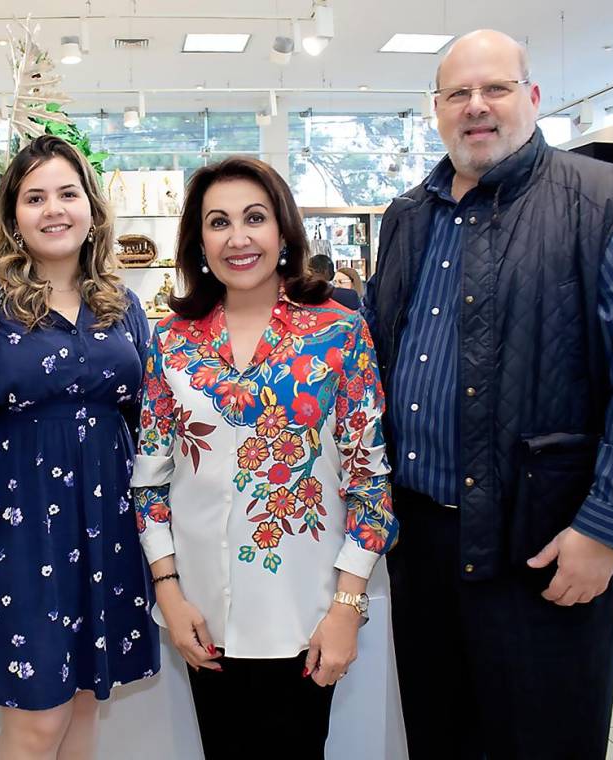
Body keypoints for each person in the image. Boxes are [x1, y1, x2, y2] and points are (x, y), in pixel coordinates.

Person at [364, 30, 613, 759]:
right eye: (458, 94)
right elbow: (378, 352)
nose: (476, 107)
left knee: (544, 741)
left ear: (533, 98)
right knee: (438, 736)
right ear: (436, 111)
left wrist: (606, 527)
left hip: (546, 546)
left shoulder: (605, 204)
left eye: (496, 89)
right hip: (422, 547)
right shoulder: (407, 218)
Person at [133, 156, 395, 759]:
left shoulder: (338, 331)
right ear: (199, 242)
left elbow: (371, 484)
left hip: (305, 615)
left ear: (283, 231)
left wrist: (347, 607)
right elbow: (149, 483)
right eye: (218, 222)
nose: (238, 237)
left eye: (255, 217)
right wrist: (168, 593)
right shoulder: (172, 342)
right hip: (202, 619)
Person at [0, 134, 159, 760]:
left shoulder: (122, 304)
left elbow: (148, 426)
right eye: (35, 197)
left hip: (107, 528)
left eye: (67, 193)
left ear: (92, 207)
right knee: (36, 724)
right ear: (11, 215)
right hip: (16, 534)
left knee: (84, 707)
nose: (54, 209)